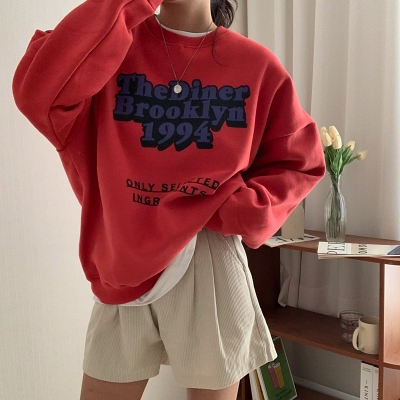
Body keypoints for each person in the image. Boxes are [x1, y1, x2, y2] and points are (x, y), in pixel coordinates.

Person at [12, 0, 325, 399]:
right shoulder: (111, 46)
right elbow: (38, 93)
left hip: (209, 257)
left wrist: (241, 210)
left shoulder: (255, 64)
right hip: (124, 257)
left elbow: (300, 160)